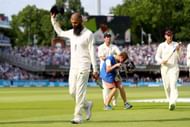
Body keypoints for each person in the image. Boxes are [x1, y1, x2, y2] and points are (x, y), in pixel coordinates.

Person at [51, 12, 99, 124]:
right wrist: (53, 19)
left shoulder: (89, 34)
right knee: (72, 92)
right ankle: (87, 105)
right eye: (72, 23)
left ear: (81, 21)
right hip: (73, 67)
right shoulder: (71, 33)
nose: (74, 25)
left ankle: (77, 116)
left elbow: (92, 53)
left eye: (76, 23)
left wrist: (95, 70)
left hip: (84, 67)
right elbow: (60, 32)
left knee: (80, 92)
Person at [155, 30, 181, 111]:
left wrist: (177, 50)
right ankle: (170, 101)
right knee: (166, 87)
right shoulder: (161, 45)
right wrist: (161, 61)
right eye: (167, 35)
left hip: (173, 67)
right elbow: (157, 57)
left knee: (173, 85)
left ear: (172, 36)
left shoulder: (176, 45)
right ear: (165, 36)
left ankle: (173, 102)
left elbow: (180, 57)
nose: (169, 37)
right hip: (164, 67)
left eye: (170, 35)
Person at [98, 32, 121, 107]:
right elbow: (101, 57)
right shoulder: (101, 47)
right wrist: (111, 58)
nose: (108, 38)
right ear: (104, 38)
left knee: (117, 88)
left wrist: (112, 57)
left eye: (109, 37)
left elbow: (119, 55)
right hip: (104, 70)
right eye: (107, 37)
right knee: (105, 89)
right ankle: (106, 103)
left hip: (114, 70)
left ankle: (114, 100)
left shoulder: (114, 47)